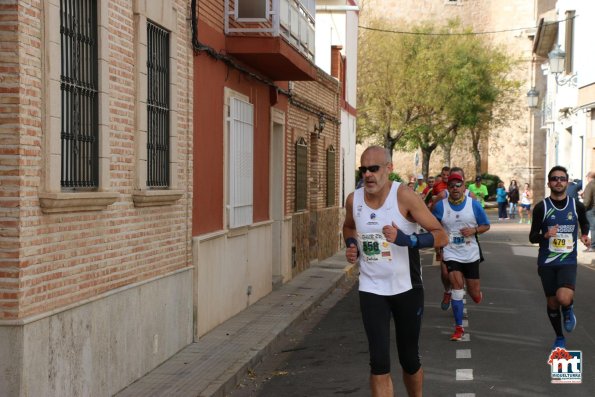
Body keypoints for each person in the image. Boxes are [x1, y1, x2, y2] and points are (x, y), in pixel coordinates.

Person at [343, 146, 448, 397]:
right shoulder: (353, 200)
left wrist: (407, 240)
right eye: (364, 169)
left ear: (388, 169)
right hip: (371, 288)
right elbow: (348, 228)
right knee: (378, 362)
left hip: (406, 289)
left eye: (374, 169)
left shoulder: (404, 197)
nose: (368, 174)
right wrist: (351, 245)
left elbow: (441, 235)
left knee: (409, 359)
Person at [528, 166, 590, 350]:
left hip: (568, 261)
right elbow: (532, 236)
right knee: (552, 302)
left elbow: (584, 222)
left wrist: (585, 235)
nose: (558, 182)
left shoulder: (576, 205)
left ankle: (568, 309)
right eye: (554, 179)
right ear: (549, 183)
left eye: (562, 179)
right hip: (547, 261)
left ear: (567, 182)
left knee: (563, 298)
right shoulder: (542, 207)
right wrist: (545, 235)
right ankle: (559, 336)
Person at [432, 171, 490, 340]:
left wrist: (474, 230)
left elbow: (486, 225)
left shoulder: (474, 205)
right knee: (457, 288)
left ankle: (477, 295)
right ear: (447, 188)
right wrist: (439, 242)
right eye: (452, 185)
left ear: (464, 187)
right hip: (451, 253)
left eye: (459, 185)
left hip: (470, 253)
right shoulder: (441, 206)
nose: (455, 188)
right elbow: (434, 225)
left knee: (474, 294)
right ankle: (458, 328)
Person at [581, 171, 595, 252]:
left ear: (589, 177)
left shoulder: (590, 185)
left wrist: (583, 209)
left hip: (591, 209)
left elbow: (587, 201)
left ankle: (593, 246)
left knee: (593, 228)